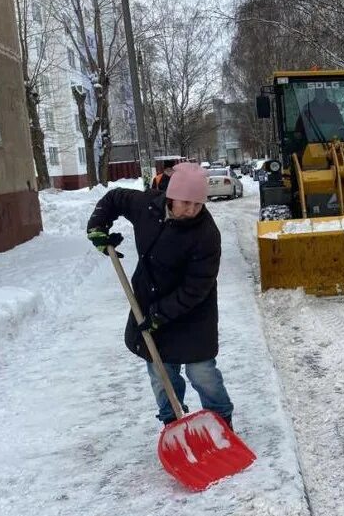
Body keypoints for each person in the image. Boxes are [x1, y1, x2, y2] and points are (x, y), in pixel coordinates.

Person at [85, 162, 236, 430]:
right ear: (170, 197)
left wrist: (159, 315)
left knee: (201, 372)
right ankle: (172, 421)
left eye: (198, 204)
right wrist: (97, 226)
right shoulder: (147, 206)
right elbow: (114, 198)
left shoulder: (206, 234)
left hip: (192, 312)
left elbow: (197, 287)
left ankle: (221, 421)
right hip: (150, 301)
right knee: (160, 369)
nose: (191, 210)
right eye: (185, 203)